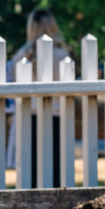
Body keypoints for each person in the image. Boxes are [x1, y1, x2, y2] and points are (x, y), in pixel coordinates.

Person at [5, 10, 72, 186]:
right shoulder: (62, 56)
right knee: (56, 174)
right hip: (56, 119)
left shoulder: (19, 57)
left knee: (30, 175)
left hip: (27, 120)